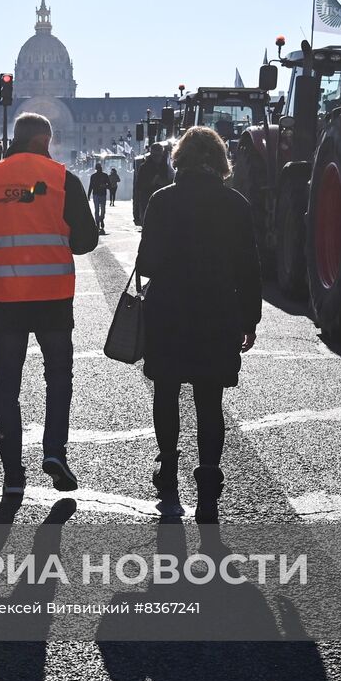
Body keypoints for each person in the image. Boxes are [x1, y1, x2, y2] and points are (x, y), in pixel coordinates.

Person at [0, 113, 99, 497]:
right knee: (58, 379)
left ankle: (12, 472)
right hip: (53, 298)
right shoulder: (62, 178)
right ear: (43, 141)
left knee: (7, 387)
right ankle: (54, 451)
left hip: (7, 299)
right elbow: (86, 241)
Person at [133, 126, 261, 523]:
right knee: (209, 400)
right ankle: (208, 479)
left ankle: (168, 468)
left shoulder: (162, 201)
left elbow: (147, 264)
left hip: (169, 310)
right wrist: (250, 319)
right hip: (218, 311)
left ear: (180, 159)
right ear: (221, 161)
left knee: (166, 391)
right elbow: (249, 269)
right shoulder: (237, 204)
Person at [132, 143, 173, 226]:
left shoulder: (166, 167)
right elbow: (139, 186)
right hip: (148, 200)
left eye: (160, 155)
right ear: (152, 154)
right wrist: (152, 182)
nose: (158, 158)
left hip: (163, 202)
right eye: (156, 155)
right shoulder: (144, 167)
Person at [88, 163, 109, 234]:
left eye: (100, 168)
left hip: (102, 194)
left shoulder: (105, 176)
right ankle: (97, 222)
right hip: (96, 194)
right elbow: (90, 186)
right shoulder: (93, 176)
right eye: (98, 168)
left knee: (103, 210)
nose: (99, 169)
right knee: (97, 209)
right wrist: (88, 195)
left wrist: (105, 186)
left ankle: (101, 219)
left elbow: (109, 185)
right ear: (96, 169)